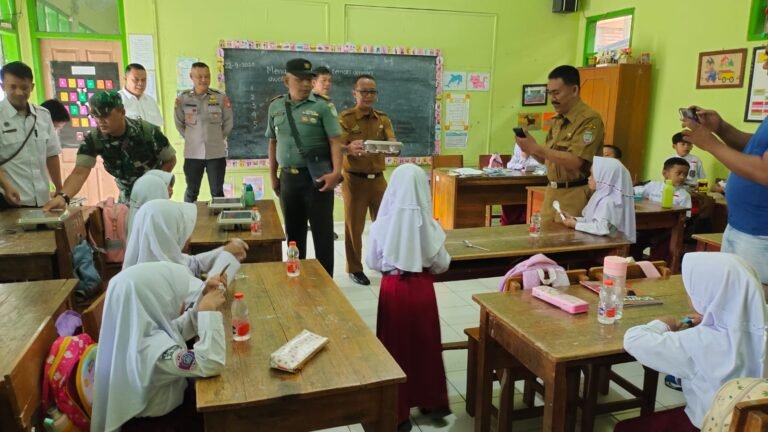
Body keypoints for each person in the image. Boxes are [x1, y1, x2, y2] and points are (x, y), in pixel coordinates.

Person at [615, 252, 768, 432]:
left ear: (708, 295)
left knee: (625, 428)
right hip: (756, 422)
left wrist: (662, 324)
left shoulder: (698, 342)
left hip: (710, 424)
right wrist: (713, 319)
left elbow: (634, 340)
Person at [91, 261, 227, 432]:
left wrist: (202, 299)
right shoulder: (152, 352)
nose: (182, 304)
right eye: (175, 298)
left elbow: (177, 329)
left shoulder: (137, 333)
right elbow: (209, 362)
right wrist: (207, 310)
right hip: (164, 425)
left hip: (164, 417)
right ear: (153, 301)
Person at [366, 164, 451, 432]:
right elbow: (442, 264)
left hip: (393, 290)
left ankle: (397, 412)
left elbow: (372, 262)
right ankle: (431, 401)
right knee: (426, 345)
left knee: (394, 348)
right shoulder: (430, 226)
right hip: (422, 290)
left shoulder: (381, 225)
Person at [681, 87, 768, 285]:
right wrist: (721, 128)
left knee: (754, 300)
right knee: (734, 295)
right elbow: (756, 147)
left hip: (760, 235)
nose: (765, 70)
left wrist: (711, 144)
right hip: (742, 226)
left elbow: (765, 172)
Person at [267, 58, 343, 276]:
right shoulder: (276, 106)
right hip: (288, 179)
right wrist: (273, 176)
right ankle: (297, 279)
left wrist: (336, 173)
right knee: (293, 234)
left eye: (309, 80)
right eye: (299, 79)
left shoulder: (322, 106)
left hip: (317, 179)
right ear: (286, 81)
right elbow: (272, 142)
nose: (306, 84)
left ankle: (326, 284)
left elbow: (335, 141)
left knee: (322, 234)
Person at [42, 91, 176, 210]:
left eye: (105, 115)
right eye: (95, 116)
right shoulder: (94, 139)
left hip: (153, 194)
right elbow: (79, 173)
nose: (100, 121)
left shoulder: (146, 131)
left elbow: (170, 159)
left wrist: (159, 184)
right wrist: (62, 197)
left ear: (122, 111)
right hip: (127, 197)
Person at [514, 65, 604, 222]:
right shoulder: (557, 120)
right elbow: (545, 159)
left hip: (575, 193)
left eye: (556, 93)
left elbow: (576, 161)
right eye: (549, 93)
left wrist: (536, 148)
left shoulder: (590, 120)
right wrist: (529, 147)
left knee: (567, 236)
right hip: (552, 192)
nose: (552, 98)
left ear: (574, 90)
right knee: (544, 235)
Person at [339, 74, 397, 285]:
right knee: (354, 227)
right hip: (354, 180)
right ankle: (355, 268)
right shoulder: (345, 118)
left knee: (385, 223)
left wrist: (393, 147)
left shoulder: (383, 119)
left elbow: (392, 141)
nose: (368, 96)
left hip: (378, 179)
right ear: (354, 93)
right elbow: (336, 146)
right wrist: (349, 148)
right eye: (364, 92)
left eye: (372, 92)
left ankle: (385, 263)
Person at [123, 199, 246, 282]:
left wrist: (224, 250)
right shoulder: (166, 278)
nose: (189, 237)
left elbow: (194, 263)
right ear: (168, 233)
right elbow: (208, 293)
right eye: (182, 231)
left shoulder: (155, 258)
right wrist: (226, 257)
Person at [0, 61, 62, 209]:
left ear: (32, 87)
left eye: (24, 87)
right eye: (13, 87)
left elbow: (51, 154)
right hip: (8, 201)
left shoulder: (43, 115)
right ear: (3, 87)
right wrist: (6, 186)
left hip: (42, 200)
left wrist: (60, 189)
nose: (19, 92)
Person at [174, 62, 233, 203]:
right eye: (199, 77)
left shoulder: (220, 98)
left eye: (207, 76)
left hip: (216, 153)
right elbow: (179, 124)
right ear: (191, 77)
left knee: (217, 192)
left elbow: (228, 122)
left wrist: (217, 138)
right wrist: (192, 138)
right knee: (191, 191)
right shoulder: (183, 99)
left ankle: (220, 216)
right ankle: (187, 216)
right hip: (193, 153)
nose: (204, 80)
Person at [562, 156, 636, 243]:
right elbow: (590, 221)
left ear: (604, 178)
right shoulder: (599, 196)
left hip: (607, 246)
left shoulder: (608, 201)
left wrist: (575, 225)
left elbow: (601, 228)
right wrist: (573, 219)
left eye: (592, 175)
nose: (589, 178)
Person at [311, 65, 339, 241]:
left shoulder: (327, 105)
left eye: (330, 81)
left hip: (323, 167)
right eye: (324, 80)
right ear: (313, 82)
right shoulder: (308, 105)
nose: (328, 84)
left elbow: (333, 140)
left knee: (324, 215)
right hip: (308, 166)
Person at [502, 143, 544, 225]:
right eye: (521, 148)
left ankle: (525, 219)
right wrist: (521, 164)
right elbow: (509, 165)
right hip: (515, 183)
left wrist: (525, 162)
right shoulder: (517, 157)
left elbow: (539, 166)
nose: (523, 150)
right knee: (510, 193)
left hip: (532, 182)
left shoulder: (535, 157)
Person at [126, 170, 175, 237]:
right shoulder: (151, 222)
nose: (172, 191)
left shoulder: (138, 212)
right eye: (166, 187)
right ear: (153, 189)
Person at [120, 63, 164, 128]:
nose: (140, 83)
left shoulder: (151, 101)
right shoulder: (117, 100)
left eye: (143, 80)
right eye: (136, 80)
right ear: (125, 79)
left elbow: (158, 126)